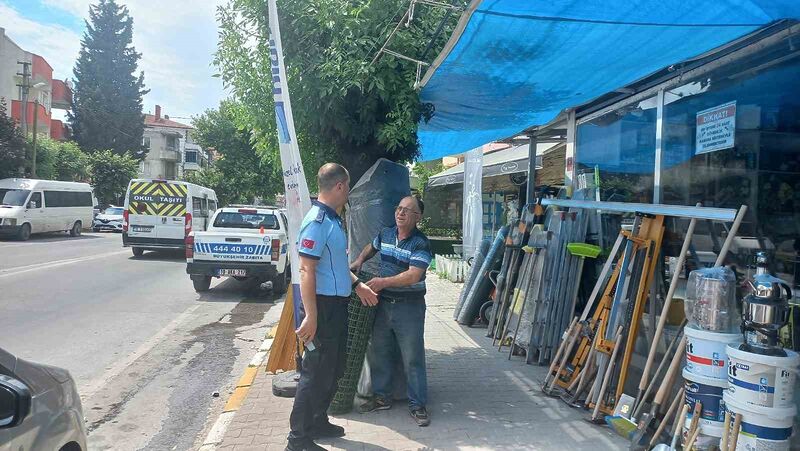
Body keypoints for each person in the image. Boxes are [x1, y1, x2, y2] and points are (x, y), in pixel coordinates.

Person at [287, 163, 379, 451]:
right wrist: (311, 317)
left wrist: (357, 285)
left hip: (337, 306)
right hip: (321, 307)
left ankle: (317, 420)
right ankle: (297, 440)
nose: (348, 192)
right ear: (339, 186)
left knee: (334, 368)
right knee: (314, 373)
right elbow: (306, 270)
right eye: (348, 187)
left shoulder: (333, 220)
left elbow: (337, 265)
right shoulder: (316, 221)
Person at [350, 195, 433, 427]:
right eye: (398, 208)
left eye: (407, 210)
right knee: (380, 352)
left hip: (410, 308)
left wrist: (383, 282)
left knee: (412, 357)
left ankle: (418, 405)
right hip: (384, 305)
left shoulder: (420, 243)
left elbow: (414, 274)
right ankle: (382, 397)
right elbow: (371, 246)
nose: (400, 213)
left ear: (418, 217)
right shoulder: (386, 234)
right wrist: (359, 260)